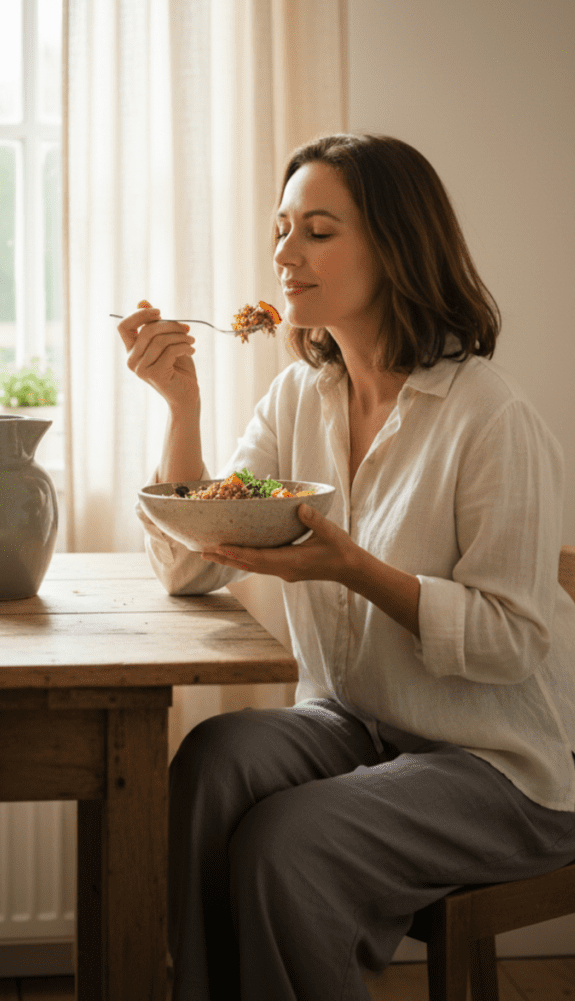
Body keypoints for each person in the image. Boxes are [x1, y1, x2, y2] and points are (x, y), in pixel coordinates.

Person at [117, 133, 575, 1001]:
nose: (286, 254)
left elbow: (515, 641)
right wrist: (182, 406)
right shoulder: (300, 396)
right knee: (212, 761)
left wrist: (353, 568)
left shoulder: (488, 415)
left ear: (396, 245)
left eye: (318, 230)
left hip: (504, 767)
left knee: (289, 839)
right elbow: (193, 565)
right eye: (282, 229)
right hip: (362, 726)